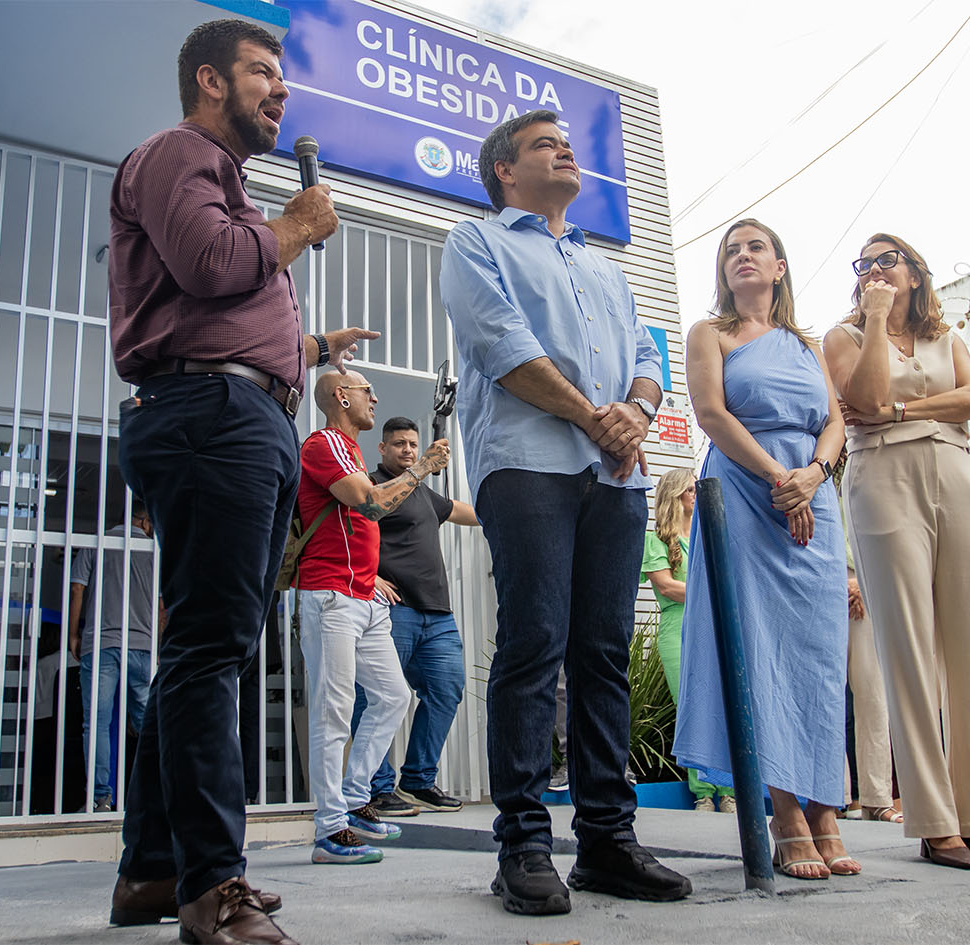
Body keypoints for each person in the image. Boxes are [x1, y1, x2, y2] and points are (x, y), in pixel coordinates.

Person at [106, 19, 375, 944]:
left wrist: (310, 349)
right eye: (263, 72)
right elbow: (212, 265)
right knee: (208, 649)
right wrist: (296, 225)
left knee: (203, 649)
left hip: (239, 414)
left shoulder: (222, 180)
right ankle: (212, 888)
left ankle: (152, 871)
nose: (281, 90)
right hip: (211, 417)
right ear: (211, 80)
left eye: (282, 76)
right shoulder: (180, 152)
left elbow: (223, 312)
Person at [439, 109, 690, 916]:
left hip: (614, 477)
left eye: (567, 143)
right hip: (527, 465)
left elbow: (646, 355)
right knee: (533, 643)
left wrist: (637, 415)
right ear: (504, 170)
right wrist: (596, 418)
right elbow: (501, 344)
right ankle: (521, 844)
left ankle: (608, 841)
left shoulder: (603, 267)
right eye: (545, 145)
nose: (565, 151)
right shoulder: (476, 242)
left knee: (602, 654)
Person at [823, 233, 970, 870]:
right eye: (864, 263)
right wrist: (876, 318)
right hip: (883, 478)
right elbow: (861, 400)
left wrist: (901, 409)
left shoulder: (948, 338)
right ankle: (935, 821)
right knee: (908, 648)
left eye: (887, 259)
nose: (874, 269)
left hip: (957, 470)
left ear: (915, 271)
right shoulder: (845, 336)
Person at [676, 219, 854, 880]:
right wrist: (781, 479)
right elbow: (711, 414)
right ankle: (785, 814)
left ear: (779, 266)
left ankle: (825, 807)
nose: (742, 256)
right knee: (760, 648)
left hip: (813, 495)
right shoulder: (710, 333)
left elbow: (834, 420)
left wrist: (814, 474)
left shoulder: (808, 343)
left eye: (755, 247)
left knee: (817, 653)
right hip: (747, 493)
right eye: (731, 250)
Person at [296, 374, 450, 863]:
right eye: (367, 391)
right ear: (342, 397)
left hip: (364, 598)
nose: (376, 398)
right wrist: (422, 467)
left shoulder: (352, 452)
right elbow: (372, 503)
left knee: (393, 696)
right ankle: (329, 829)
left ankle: (355, 798)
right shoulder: (324, 443)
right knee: (334, 710)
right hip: (331, 596)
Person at [349, 415, 481, 817]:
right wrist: (369, 577)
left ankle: (418, 781)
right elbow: (346, 531)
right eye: (399, 444)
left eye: (412, 444)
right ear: (382, 448)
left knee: (445, 690)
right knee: (374, 698)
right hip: (393, 611)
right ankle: (375, 788)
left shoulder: (424, 494)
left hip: (437, 614)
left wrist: (508, 510)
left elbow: (462, 511)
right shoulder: (373, 486)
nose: (407, 450)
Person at [641, 469, 735, 814]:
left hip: (712, 626)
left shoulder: (707, 536)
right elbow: (666, 587)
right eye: (691, 489)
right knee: (691, 710)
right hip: (677, 629)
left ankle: (728, 791)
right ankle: (703, 793)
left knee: (722, 707)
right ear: (675, 495)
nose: (697, 494)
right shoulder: (656, 541)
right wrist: (712, 590)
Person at [67, 499, 160, 813]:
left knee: (96, 723)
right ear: (144, 521)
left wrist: (74, 634)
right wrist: (158, 645)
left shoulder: (98, 541)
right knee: (149, 724)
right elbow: (163, 606)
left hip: (101, 643)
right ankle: (157, 794)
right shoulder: (154, 551)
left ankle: (100, 798)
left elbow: (77, 589)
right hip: (143, 646)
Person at [838, 486, 900, 825]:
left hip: (865, 583)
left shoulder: (864, 473)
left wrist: (864, 582)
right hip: (818, 581)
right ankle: (835, 798)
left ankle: (877, 798)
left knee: (873, 694)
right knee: (827, 696)